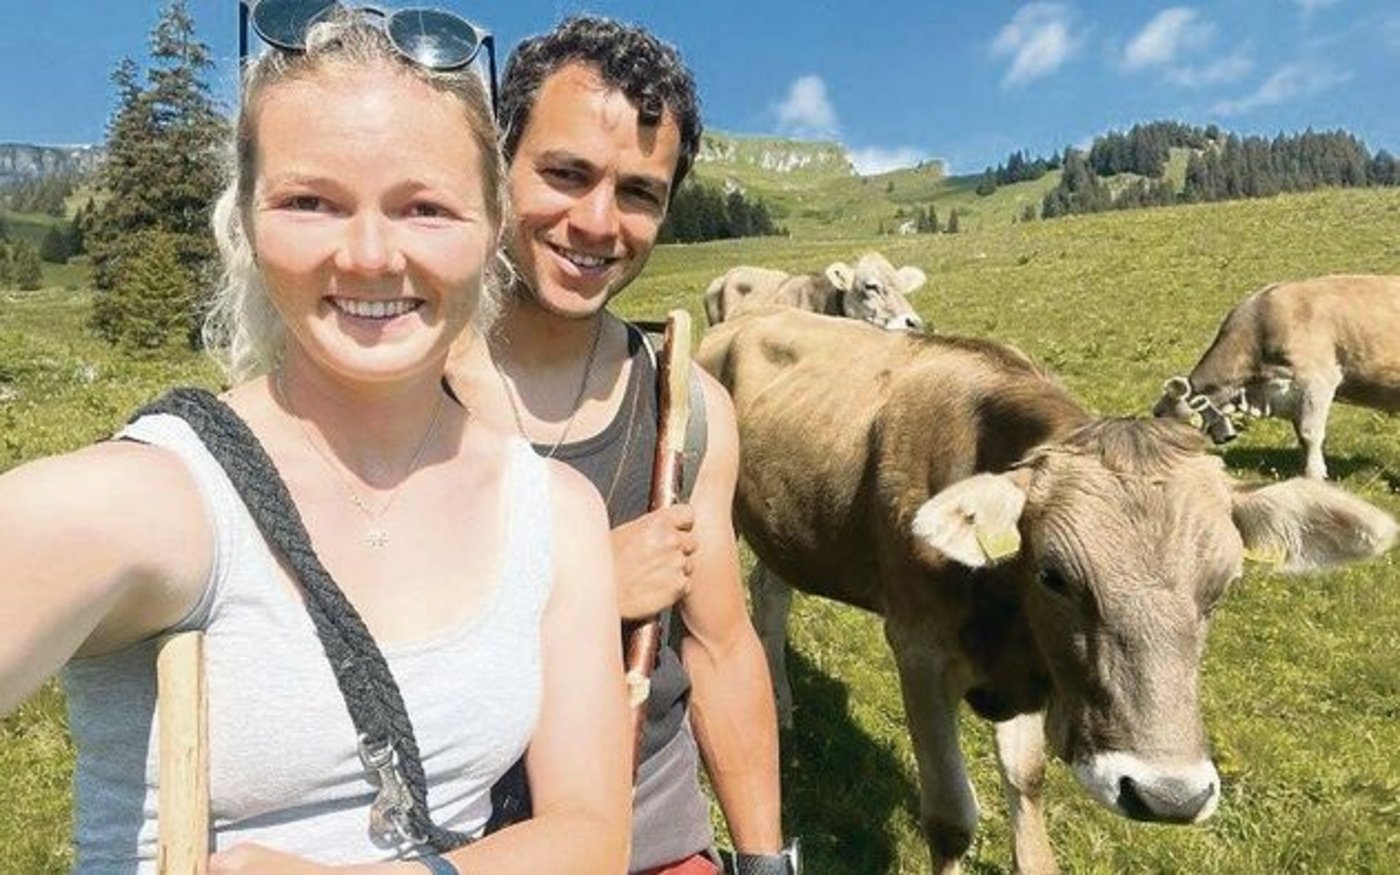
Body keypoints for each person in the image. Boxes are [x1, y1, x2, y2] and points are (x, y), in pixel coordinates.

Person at [0, 9, 628, 874]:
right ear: (248, 226)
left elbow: (591, 833)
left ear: (492, 230)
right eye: (310, 202)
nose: (370, 255)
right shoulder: (164, 499)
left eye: (426, 208)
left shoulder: (556, 515)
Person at [446, 16, 790, 875]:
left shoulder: (688, 407)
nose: (598, 222)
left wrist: (763, 864)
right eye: (566, 174)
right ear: (498, 166)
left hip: (650, 837)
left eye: (639, 192)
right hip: (446, 843)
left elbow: (718, 646)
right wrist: (588, 581)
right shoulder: (402, 384)